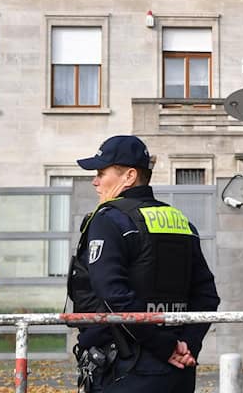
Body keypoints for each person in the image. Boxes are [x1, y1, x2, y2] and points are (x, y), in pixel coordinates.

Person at [68, 135, 220, 393]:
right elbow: (206, 295)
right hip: (178, 370)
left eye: (101, 173)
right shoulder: (180, 221)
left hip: (125, 367)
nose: (95, 181)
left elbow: (113, 295)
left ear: (129, 176)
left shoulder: (109, 219)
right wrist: (187, 345)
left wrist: (166, 347)